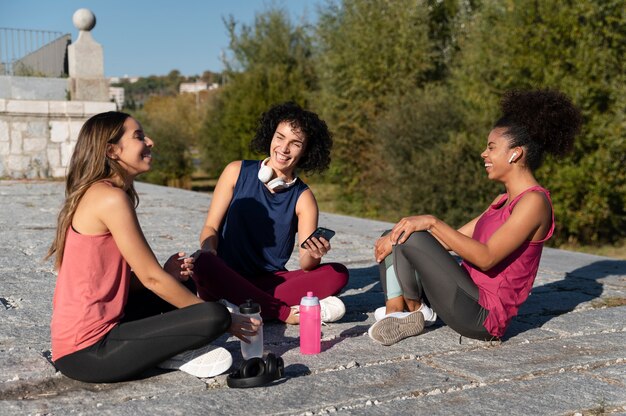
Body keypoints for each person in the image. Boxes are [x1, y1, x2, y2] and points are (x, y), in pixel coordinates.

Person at [47, 111, 258, 383]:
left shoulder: (104, 192)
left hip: (110, 326)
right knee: (214, 315)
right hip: (87, 354)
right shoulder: (109, 199)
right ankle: (166, 351)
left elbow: (116, 284)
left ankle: (159, 350)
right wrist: (228, 320)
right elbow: (150, 278)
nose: (150, 141)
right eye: (138, 137)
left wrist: (168, 275)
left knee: (183, 287)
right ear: (112, 150)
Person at [368, 89, 582, 345]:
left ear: (515, 153)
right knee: (396, 234)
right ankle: (405, 311)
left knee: (410, 235)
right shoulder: (502, 201)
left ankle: (407, 311)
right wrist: (400, 234)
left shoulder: (534, 203)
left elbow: (486, 258)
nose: (484, 153)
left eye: (491, 147)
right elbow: (447, 242)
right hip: (462, 295)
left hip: (482, 316)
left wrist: (431, 221)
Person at [192, 102, 349, 325]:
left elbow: (305, 263)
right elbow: (210, 229)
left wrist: (316, 253)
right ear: (271, 136)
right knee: (202, 263)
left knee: (338, 273)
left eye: (295, 143)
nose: (284, 149)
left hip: (270, 281)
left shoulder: (303, 198)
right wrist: (210, 251)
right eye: (280, 137)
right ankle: (282, 312)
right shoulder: (235, 171)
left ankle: (240, 306)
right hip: (224, 274)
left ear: (306, 151)